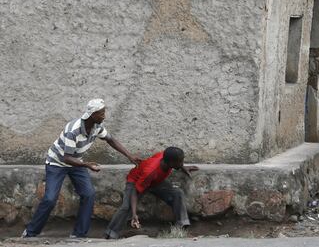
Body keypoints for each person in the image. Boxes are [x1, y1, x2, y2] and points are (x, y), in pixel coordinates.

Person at [22, 99, 141, 238]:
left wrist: (129, 155)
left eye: (104, 112)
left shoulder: (97, 127)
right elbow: (66, 158)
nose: (104, 116)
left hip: (76, 163)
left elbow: (111, 140)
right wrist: (86, 165)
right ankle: (30, 233)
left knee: (88, 194)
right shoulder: (74, 129)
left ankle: (79, 235)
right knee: (49, 199)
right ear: (92, 114)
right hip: (57, 163)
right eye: (101, 113)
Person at [104, 147, 198, 239]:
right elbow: (135, 192)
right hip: (136, 181)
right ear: (171, 163)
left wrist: (183, 167)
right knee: (126, 207)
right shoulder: (151, 171)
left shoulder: (166, 156)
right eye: (180, 162)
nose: (182, 163)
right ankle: (111, 234)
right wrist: (134, 214)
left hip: (155, 182)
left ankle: (181, 228)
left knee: (178, 193)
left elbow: (176, 162)